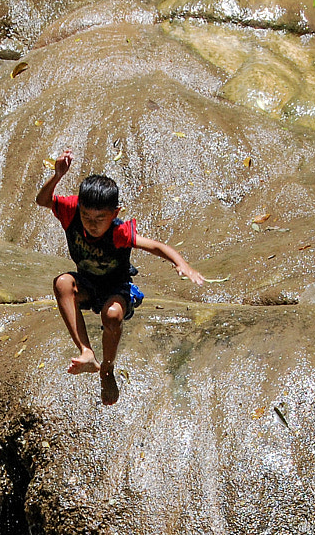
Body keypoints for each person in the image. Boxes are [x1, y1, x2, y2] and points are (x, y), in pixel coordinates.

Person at [37, 150, 205, 404]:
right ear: (79, 208)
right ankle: (86, 352)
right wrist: (57, 175)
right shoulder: (71, 212)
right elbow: (42, 200)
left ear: (114, 214)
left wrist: (183, 265)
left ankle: (107, 367)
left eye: (100, 219)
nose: (92, 224)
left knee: (112, 315)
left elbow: (156, 246)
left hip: (116, 287)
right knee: (62, 282)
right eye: (86, 216)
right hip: (88, 284)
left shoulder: (119, 233)